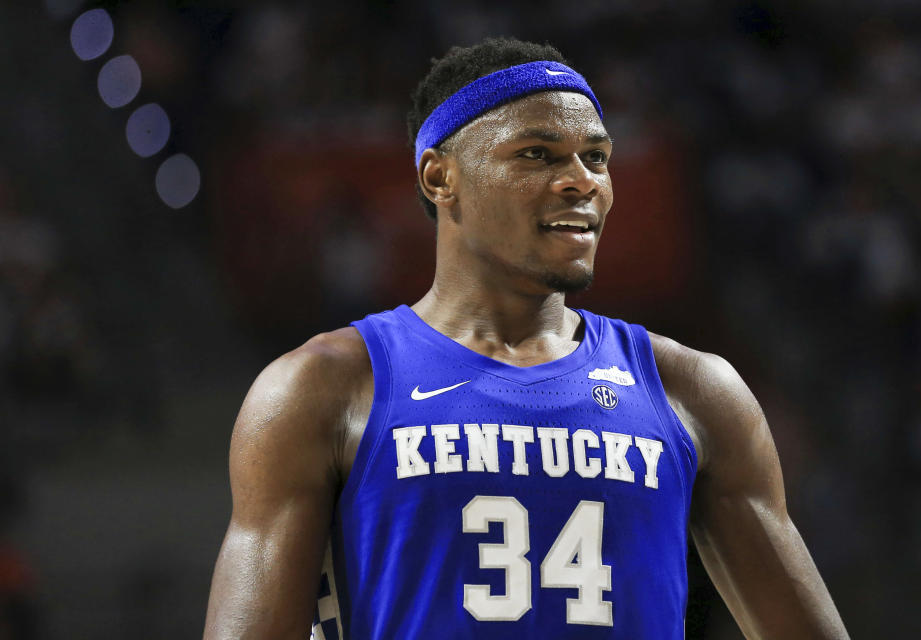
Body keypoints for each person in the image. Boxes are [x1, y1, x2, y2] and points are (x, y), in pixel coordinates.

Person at [203, 37, 849, 640]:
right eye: (537, 154)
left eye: (596, 157)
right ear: (439, 178)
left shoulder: (693, 390)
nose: (582, 180)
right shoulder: (323, 388)